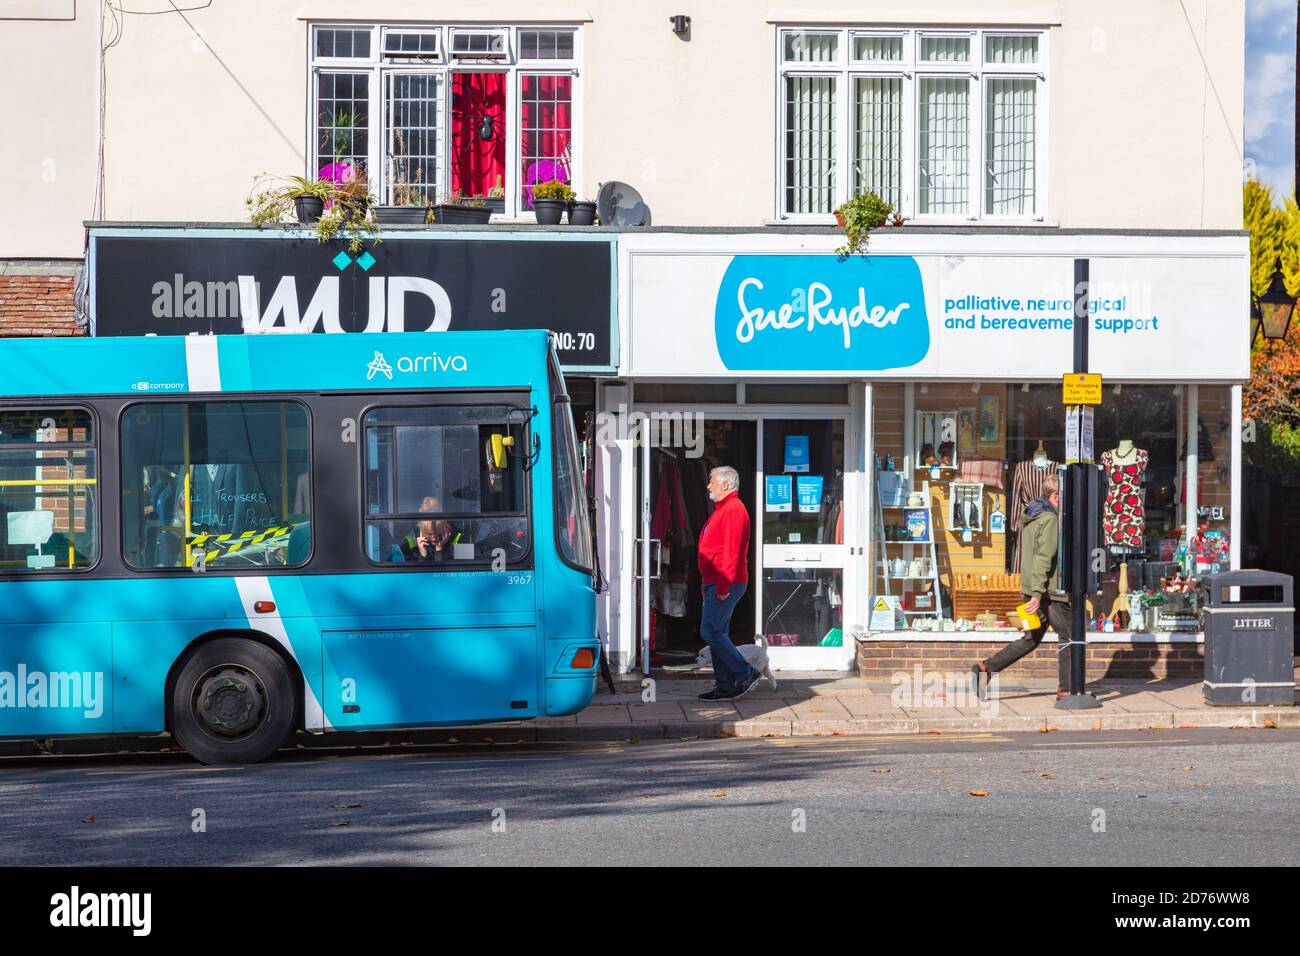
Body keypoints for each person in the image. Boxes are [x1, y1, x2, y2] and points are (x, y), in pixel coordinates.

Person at [972, 473, 1074, 700]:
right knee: (1069, 637)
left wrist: (1032, 592)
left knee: (1031, 639)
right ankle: (1066, 690)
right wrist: (1038, 594)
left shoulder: (1033, 515)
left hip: (1033, 588)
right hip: (1048, 592)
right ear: (1056, 496)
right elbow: (1042, 559)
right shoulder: (1049, 520)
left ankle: (986, 668)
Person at [696, 465, 761, 701]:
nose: (708, 485)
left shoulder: (733, 509)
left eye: (711, 481)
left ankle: (744, 672)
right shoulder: (724, 509)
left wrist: (723, 585)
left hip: (726, 582)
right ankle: (725, 685)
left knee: (710, 630)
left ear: (725, 484)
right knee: (718, 631)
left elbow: (732, 552)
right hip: (717, 581)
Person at [414, 495, 454, 560]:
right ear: (421, 529)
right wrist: (423, 554)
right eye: (428, 534)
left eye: (438, 534)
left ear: (445, 527)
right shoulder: (411, 540)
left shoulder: (456, 538)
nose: (433, 539)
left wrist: (439, 550)